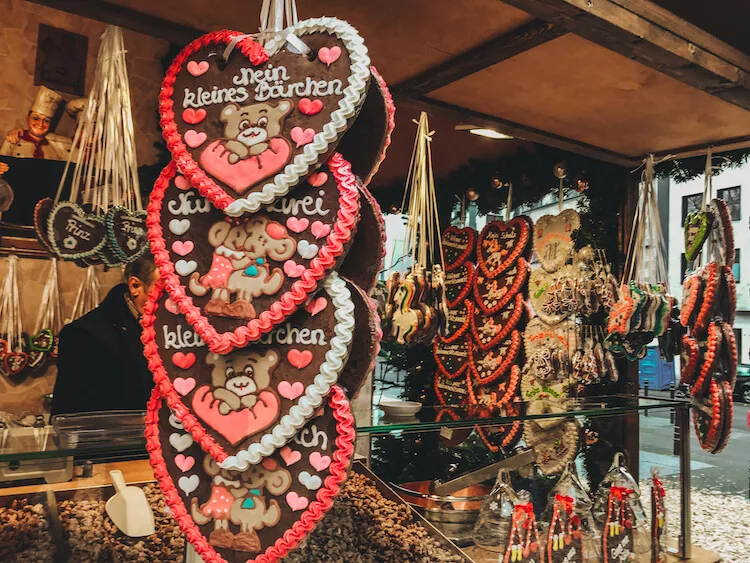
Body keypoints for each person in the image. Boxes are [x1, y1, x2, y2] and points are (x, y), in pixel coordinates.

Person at [50, 255, 159, 415]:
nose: (177, 299)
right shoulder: (84, 336)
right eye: (167, 290)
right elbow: (71, 418)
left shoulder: (179, 331)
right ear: (135, 286)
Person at [0, 86, 75, 174]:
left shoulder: (57, 144)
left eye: (46, 120)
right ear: (27, 119)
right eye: (35, 118)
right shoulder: (13, 140)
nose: (40, 124)